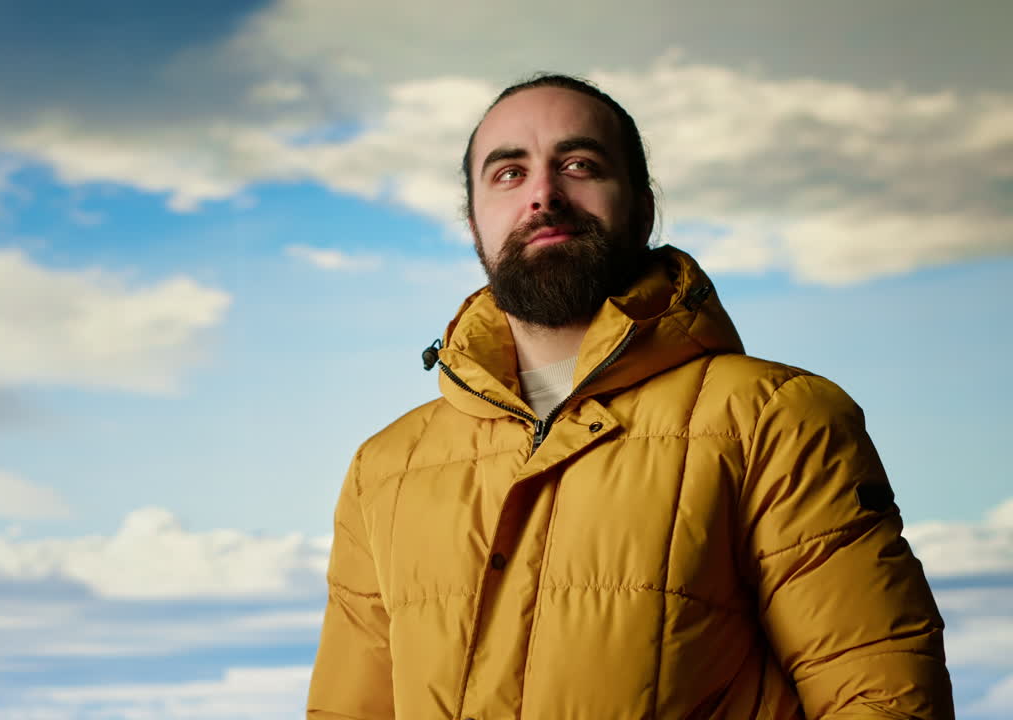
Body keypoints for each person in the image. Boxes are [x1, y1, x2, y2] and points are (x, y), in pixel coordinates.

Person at [306, 74, 953, 720]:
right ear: (474, 221)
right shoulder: (384, 469)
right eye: (508, 173)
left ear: (642, 209)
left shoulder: (775, 419)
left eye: (579, 164)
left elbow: (886, 700)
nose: (543, 196)